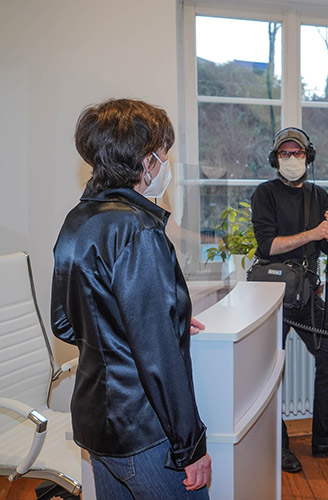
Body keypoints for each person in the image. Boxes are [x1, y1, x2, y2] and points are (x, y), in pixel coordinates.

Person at [51, 99, 211, 499]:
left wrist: (160, 316)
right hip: (146, 433)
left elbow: (66, 323)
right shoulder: (138, 228)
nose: (166, 165)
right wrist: (191, 447)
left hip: (96, 426)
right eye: (164, 155)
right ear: (146, 159)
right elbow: (158, 358)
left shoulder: (78, 219)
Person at [251, 127, 328, 474]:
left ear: (307, 157)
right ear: (275, 159)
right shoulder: (265, 194)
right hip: (273, 295)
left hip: (308, 294)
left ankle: (325, 437)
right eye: (285, 153)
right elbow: (267, 246)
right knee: (270, 371)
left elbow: (326, 247)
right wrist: (314, 232)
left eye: (297, 153)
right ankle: (279, 444)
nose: (291, 159)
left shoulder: (319, 195)